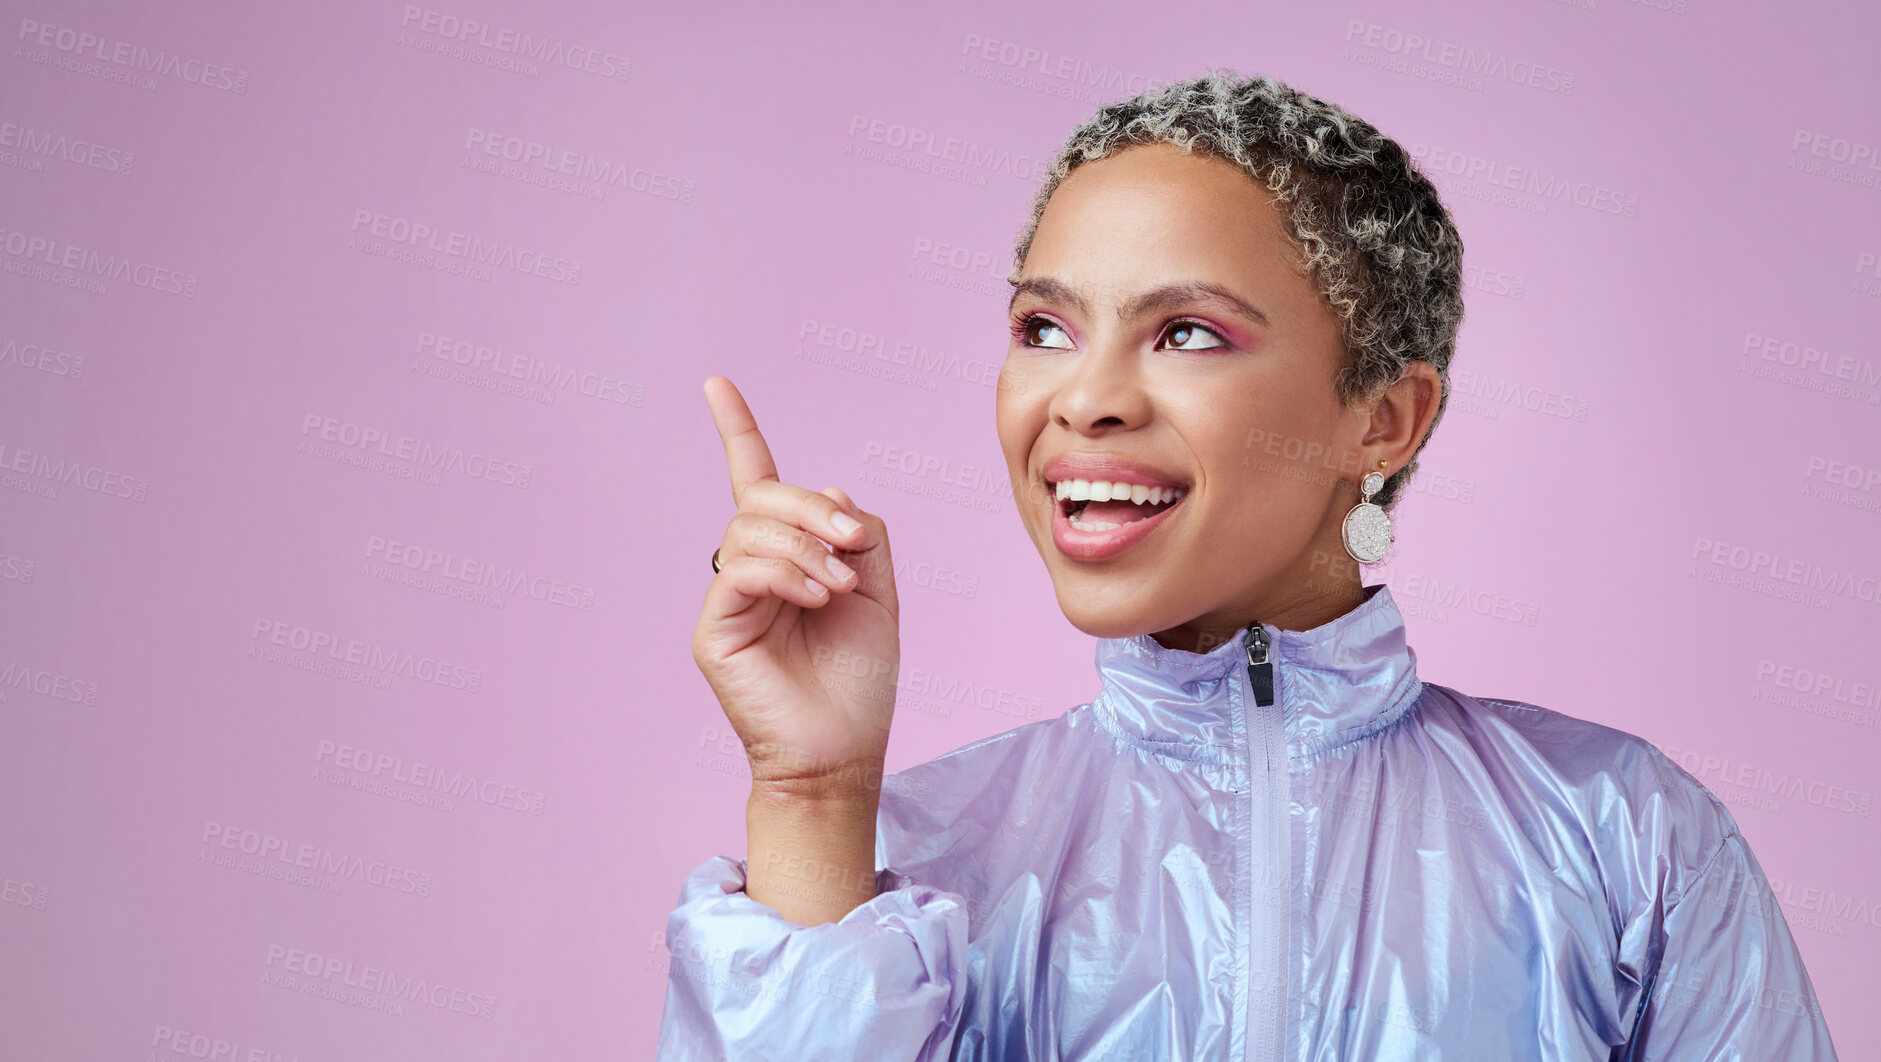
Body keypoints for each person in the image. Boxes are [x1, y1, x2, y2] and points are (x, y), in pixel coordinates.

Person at [654, 69, 1840, 1060]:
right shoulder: (911, 879)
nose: (1087, 399)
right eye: (1044, 329)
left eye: (1186, 334)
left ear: (1383, 420)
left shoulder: (1624, 839)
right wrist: (811, 801)